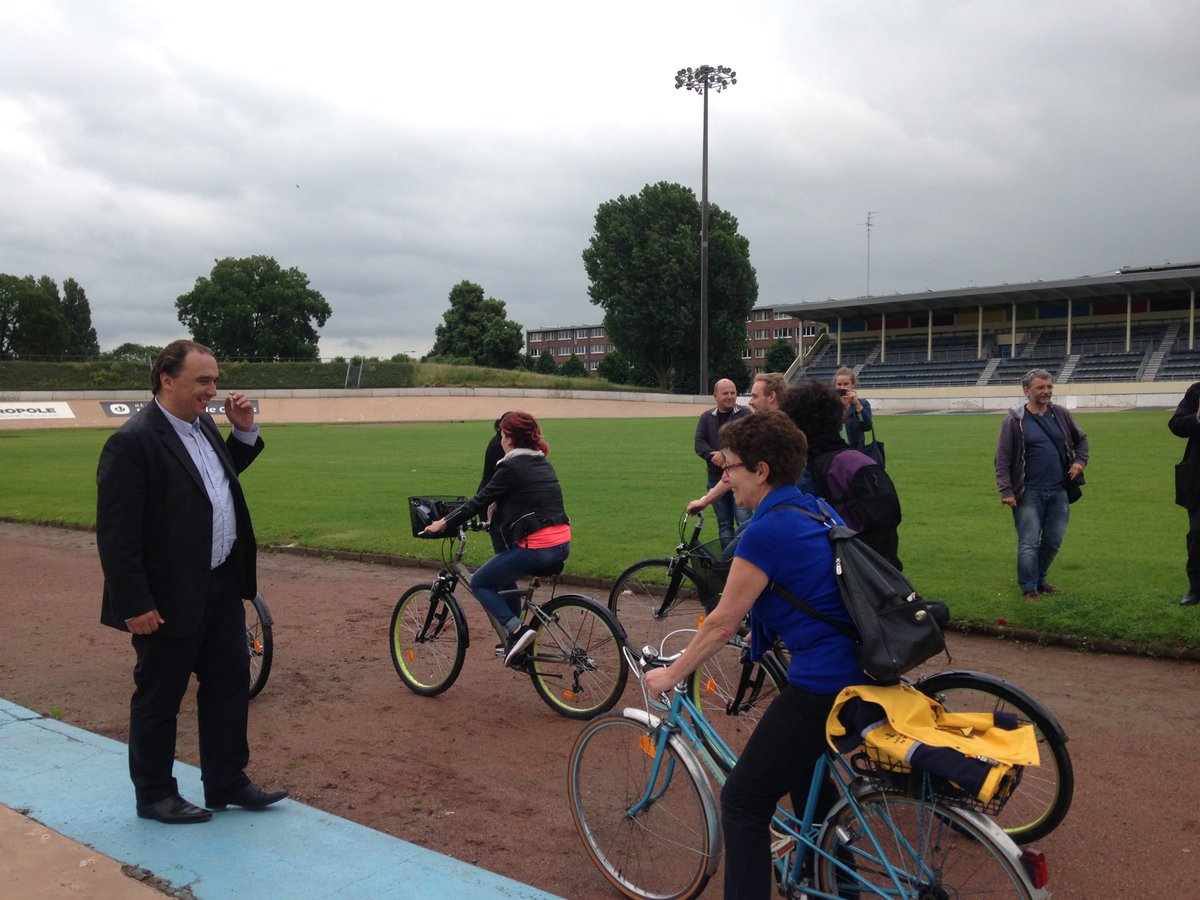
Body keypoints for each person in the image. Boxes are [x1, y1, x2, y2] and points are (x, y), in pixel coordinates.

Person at [645, 410, 864, 900]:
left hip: (823, 678)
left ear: (761, 470)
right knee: (809, 780)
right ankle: (836, 881)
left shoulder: (766, 531)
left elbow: (722, 622)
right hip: (859, 665)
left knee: (743, 801)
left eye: (732, 468)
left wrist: (672, 673)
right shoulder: (814, 508)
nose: (725, 477)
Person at [96, 340, 287, 825]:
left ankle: (226, 780)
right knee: (160, 694)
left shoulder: (203, 425)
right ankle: (155, 794)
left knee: (228, 681)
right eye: (203, 380)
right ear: (166, 377)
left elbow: (208, 487)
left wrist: (243, 435)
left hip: (219, 584)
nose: (213, 389)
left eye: (215, 379)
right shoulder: (132, 442)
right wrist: (133, 602)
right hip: (165, 596)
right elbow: (117, 535)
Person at [424, 411, 571, 664]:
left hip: (536, 548)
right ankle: (516, 641)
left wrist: (443, 523)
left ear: (511, 439)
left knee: (480, 581)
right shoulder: (542, 462)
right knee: (504, 574)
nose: (500, 440)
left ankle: (517, 630)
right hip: (561, 544)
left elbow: (479, 500)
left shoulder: (511, 466)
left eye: (502, 435)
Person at [782, 379, 903, 569]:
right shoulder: (861, 461)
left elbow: (795, 533)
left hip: (839, 570)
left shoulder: (807, 470)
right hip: (883, 568)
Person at [994, 368, 1088, 601]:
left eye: (1049, 387)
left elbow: (1082, 440)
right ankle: (1029, 588)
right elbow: (1002, 458)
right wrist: (1006, 490)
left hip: (1059, 491)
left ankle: (1039, 579)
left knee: (1053, 540)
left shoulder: (1061, 415)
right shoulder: (1015, 421)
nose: (1046, 391)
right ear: (1026, 391)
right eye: (1040, 387)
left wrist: (1080, 461)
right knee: (1029, 543)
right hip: (1028, 493)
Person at [694, 378, 751, 550]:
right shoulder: (706, 417)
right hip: (714, 478)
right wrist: (712, 456)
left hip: (740, 479)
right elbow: (699, 442)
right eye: (725, 393)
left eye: (733, 393)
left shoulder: (745, 414)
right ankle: (727, 565)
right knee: (724, 524)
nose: (730, 396)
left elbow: (747, 441)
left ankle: (742, 559)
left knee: (745, 522)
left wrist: (724, 455)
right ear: (715, 396)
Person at [1168, 383, 1200, 606]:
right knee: (1197, 535)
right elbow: (1176, 424)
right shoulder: (1196, 392)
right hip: (1198, 481)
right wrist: (1197, 417)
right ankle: (1196, 589)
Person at [834, 366, 873, 451]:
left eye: (846, 384)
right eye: (839, 384)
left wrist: (857, 405)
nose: (842, 387)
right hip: (835, 452)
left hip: (857, 451)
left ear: (853, 384)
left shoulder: (863, 404)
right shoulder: (830, 404)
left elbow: (867, 427)